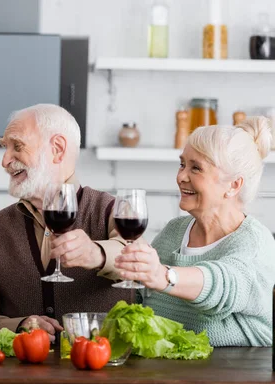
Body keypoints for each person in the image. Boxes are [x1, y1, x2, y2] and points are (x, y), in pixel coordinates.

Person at [0, 104, 131, 340]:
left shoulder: (109, 209)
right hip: (18, 373)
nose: (4, 160)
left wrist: (97, 253)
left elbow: (136, 255)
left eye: (17, 146)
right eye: (5, 147)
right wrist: (20, 325)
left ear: (57, 149)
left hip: (100, 372)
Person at [115, 117, 275, 346]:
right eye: (182, 164)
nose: (181, 177)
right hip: (161, 375)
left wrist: (164, 276)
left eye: (196, 168)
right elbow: (139, 297)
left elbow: (225, 284)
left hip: (235, 377)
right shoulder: (174, 232)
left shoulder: (255, 243)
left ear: (233, 185)